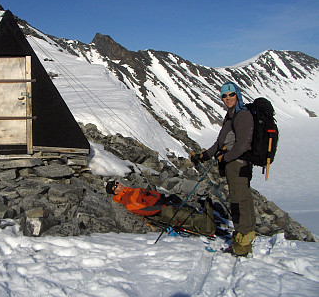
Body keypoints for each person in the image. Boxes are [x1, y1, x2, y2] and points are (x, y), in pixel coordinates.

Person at [191, 81, 256, 256]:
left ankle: (242, 245)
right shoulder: (231, 116)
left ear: (238, 94)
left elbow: (242, 145)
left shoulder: (242, 115)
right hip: (233, 164)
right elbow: (220, 143)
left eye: (231, 94)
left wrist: (225, 158)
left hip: (238, 164)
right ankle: (245, 239)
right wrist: (204, 156)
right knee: (242, 200)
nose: (227, 98)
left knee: (239, 202)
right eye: (224, 95)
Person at [105, 180, 215, 236]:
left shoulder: (129, 191)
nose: (118, 184)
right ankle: (207, 225)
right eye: (116, 186)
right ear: (115, 192)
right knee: (181, 215)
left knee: (183, 207)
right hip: (160, 209)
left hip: (161, 199)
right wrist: (160, 208)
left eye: (117, 183)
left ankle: (203, 218)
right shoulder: (126, 198)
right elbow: (142, 209)